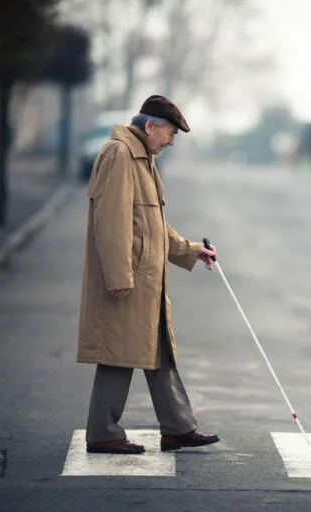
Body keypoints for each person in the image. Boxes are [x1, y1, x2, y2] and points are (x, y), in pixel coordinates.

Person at [77, 95, 220, 454]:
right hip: (130, 280)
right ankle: (104, 433)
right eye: (169, 134)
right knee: (117, 354)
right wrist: (119, 277)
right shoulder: (120, 155)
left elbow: (151, 226)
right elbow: (111, 223)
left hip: (146, 282)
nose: (171, 142)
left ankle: (178, 428)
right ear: (149, 126)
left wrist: (190, 249)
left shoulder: (143, 159)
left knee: (159, 353)